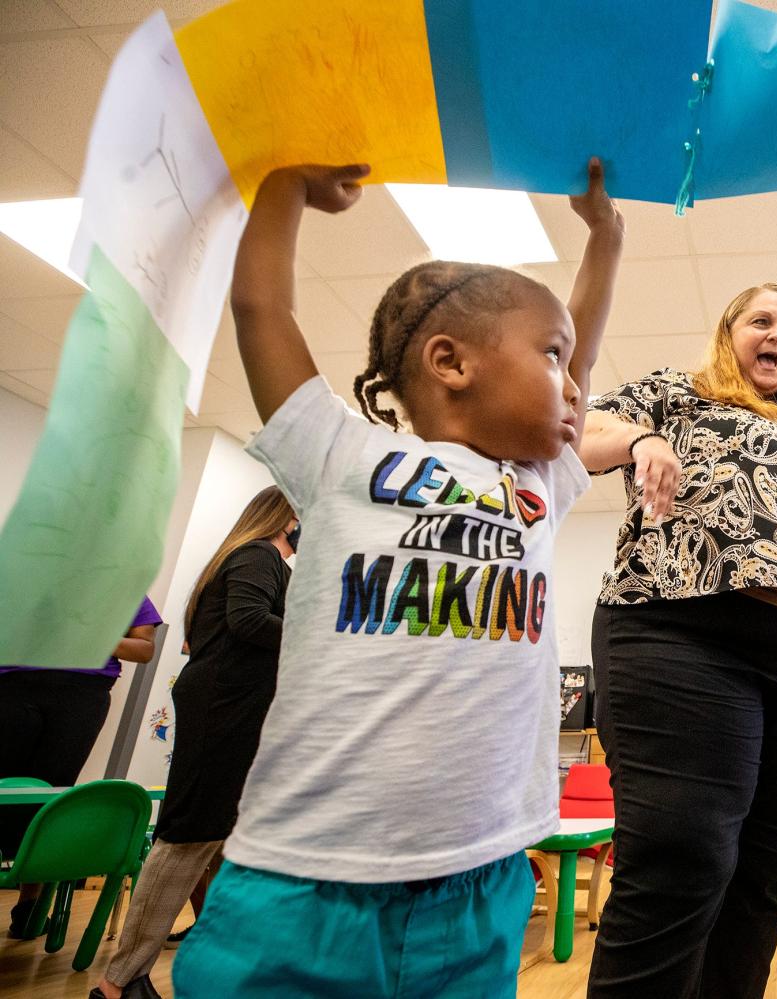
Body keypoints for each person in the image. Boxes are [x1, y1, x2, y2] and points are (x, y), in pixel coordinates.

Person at [169, 157, 623, 999]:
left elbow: (585, 359)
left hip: (479, 878)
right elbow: (260, 307)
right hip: (305, 877)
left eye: (569, 365)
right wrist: (284, 191)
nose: (573, 387)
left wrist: (608, 234)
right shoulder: (343, 454)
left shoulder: (537, 481)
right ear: (451, 363)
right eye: (549, 357)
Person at [580, 282, 777, 996]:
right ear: (727, 332)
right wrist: (642, 439)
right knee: (684, 860)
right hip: (684, 634)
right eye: (761, 321)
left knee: (766, 872)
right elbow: (580, 433)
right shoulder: (681, 393)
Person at [91, 485, 296, 999]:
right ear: (286, 515)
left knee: (223, 836)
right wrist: (315, 634)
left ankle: (219, 964)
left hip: (237, 706)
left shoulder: (261, 560)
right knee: (188, 836)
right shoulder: (258, 553)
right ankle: (118, 983)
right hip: (223, 707)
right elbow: (248, 621)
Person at [0, 599, 161, 938]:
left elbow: (144, 649)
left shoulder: (125, 586)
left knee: (52, 795)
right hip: (13, 683)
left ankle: (30, 906)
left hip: (83, 693)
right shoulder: (34, 571)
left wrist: (93, 636)